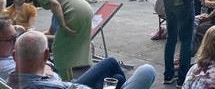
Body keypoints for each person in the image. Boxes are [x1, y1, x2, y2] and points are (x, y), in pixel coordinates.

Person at [13, 0, 93, 80]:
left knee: (58, 49)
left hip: (74, 11)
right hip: (84, 9)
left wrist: (63, 25)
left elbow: (55, 4)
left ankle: (65, 84)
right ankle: (71, 82)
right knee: (65, 49)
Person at [7, 31, 156, 89]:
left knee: (115, 78)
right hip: (70, 85)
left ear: (14, 56)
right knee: (146, 69)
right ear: (46, 55)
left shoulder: (11, 80)